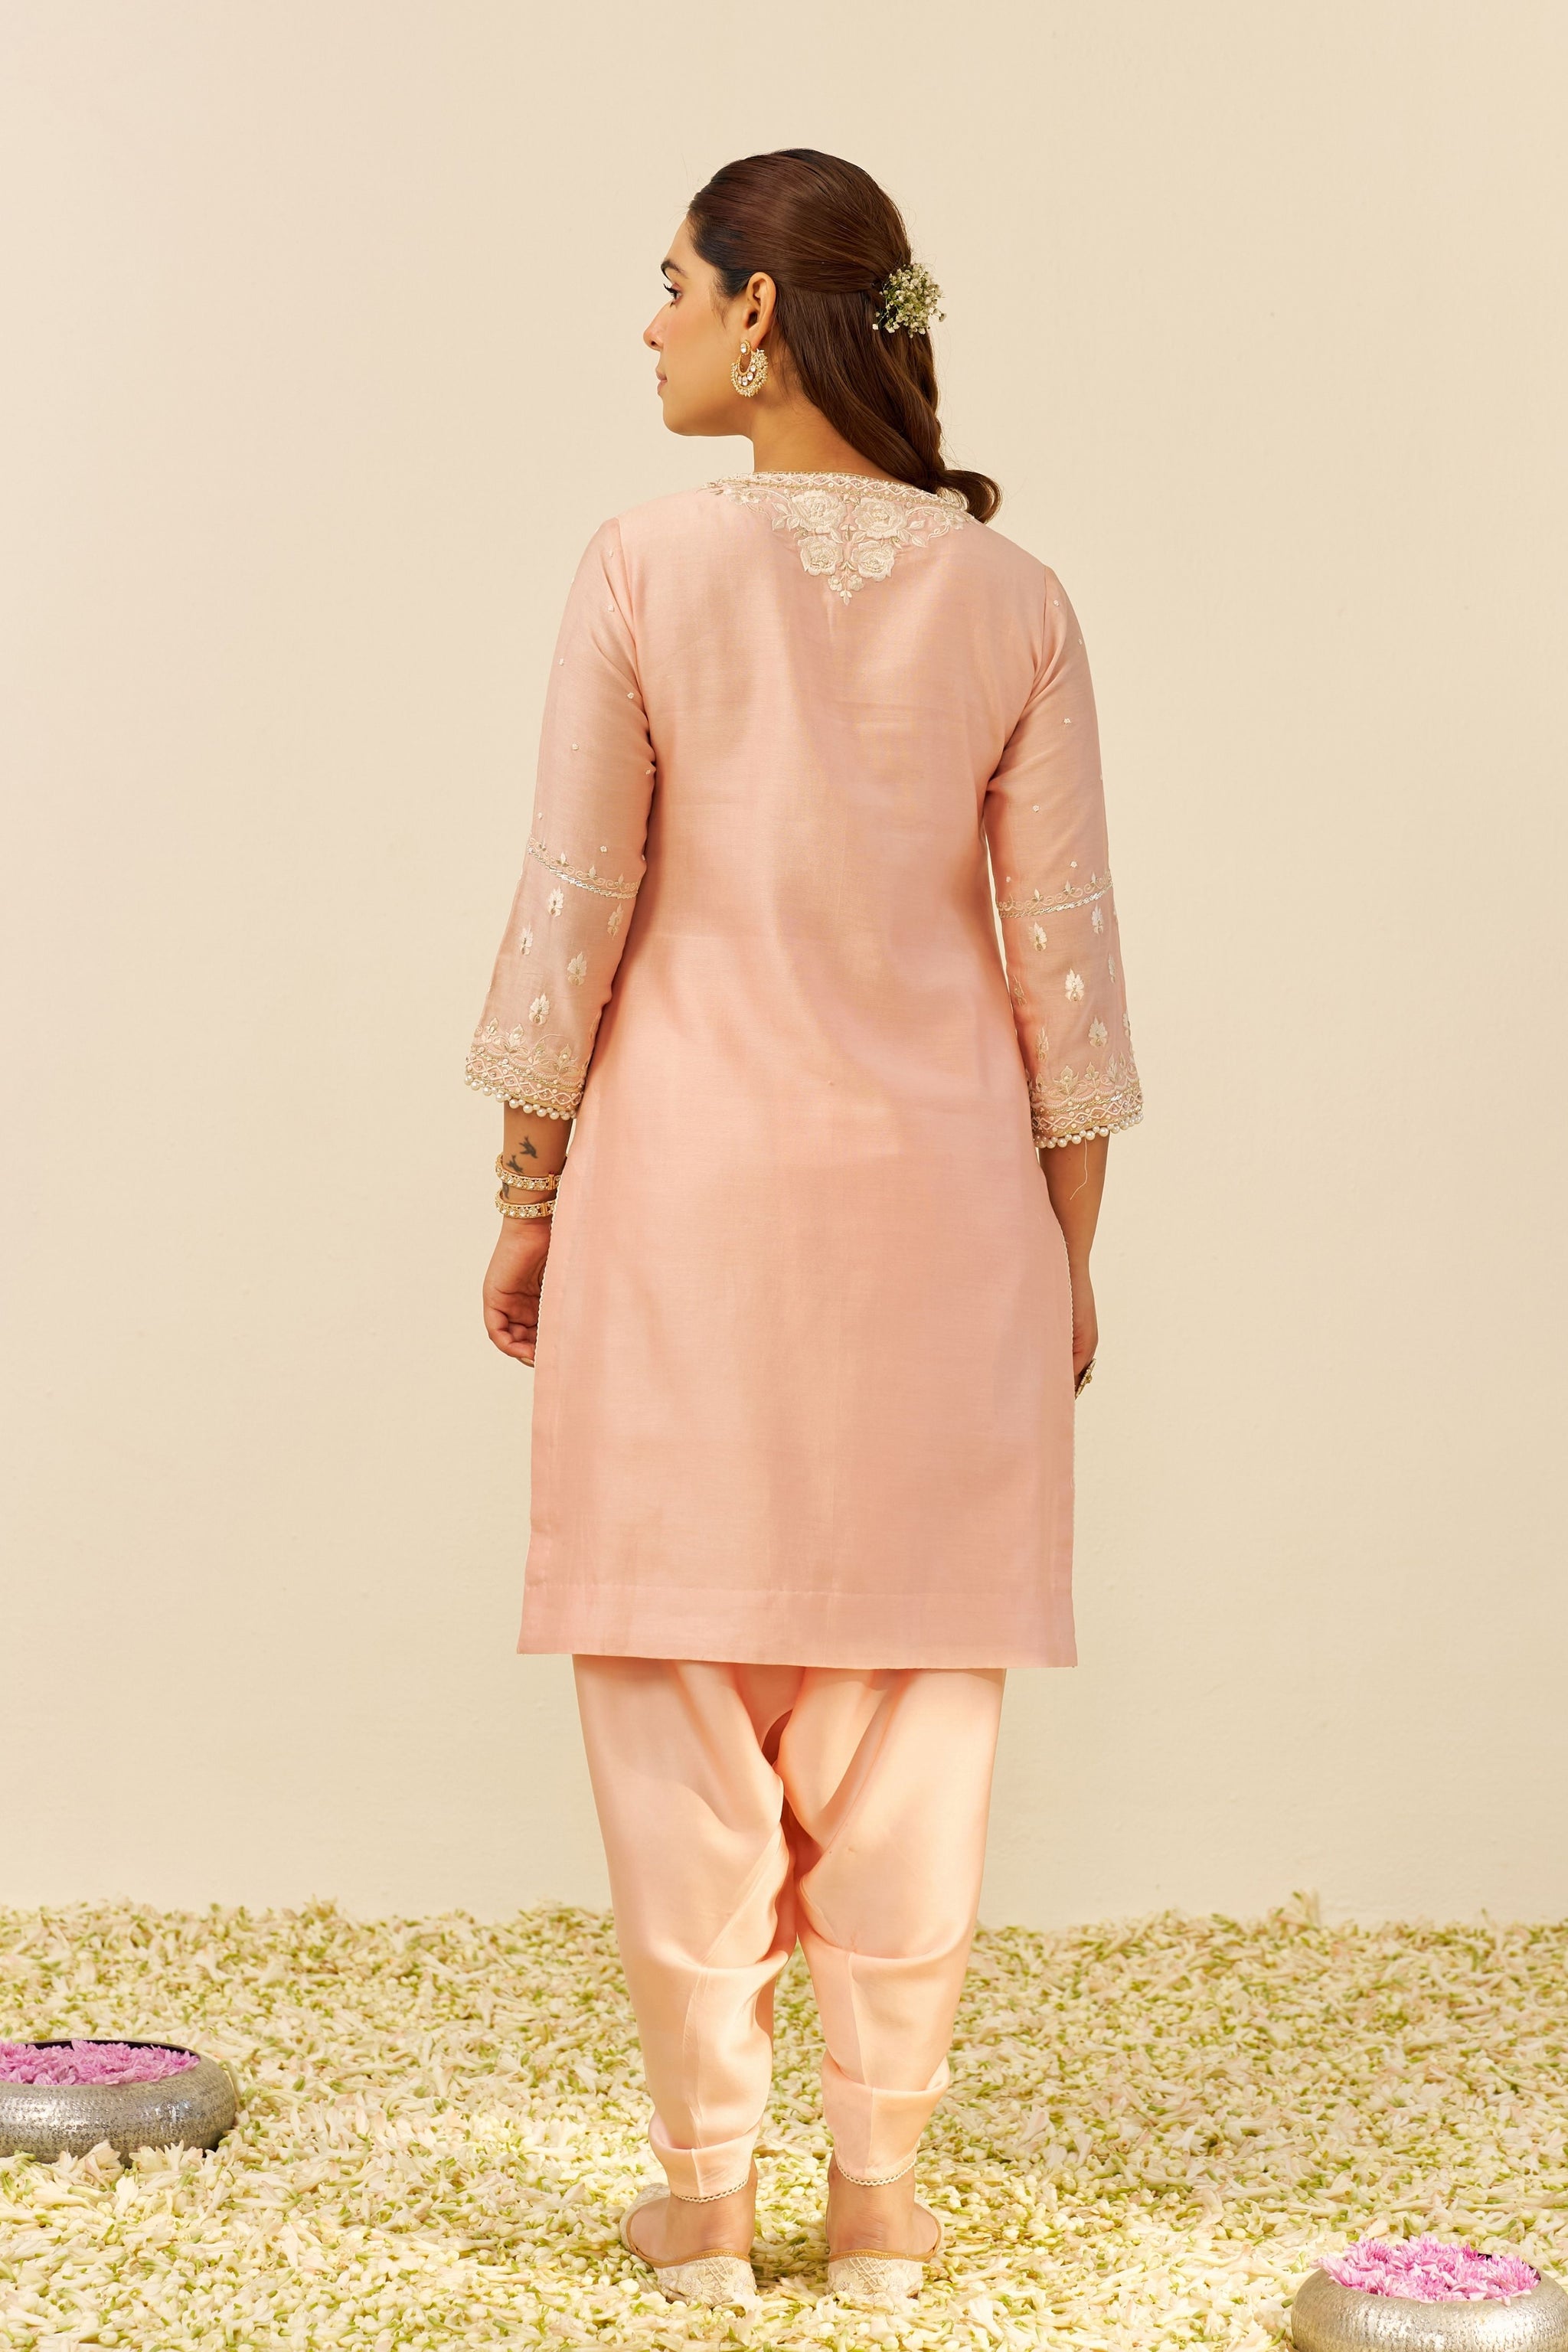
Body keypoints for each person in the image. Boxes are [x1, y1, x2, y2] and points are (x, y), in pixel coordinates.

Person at [466, 147, 1142, 2308]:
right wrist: (1069, 1253)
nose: (649, 321)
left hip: (683, 1217)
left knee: (677, 1695)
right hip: (949, 1228)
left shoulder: (643, 567)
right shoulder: (1017, 601)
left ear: (762, 314)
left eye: (672, 283)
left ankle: (701, 2200)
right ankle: (879, 2201)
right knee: (914, 1717)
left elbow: (575, 908)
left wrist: (528, 1193)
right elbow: (1066, 976)